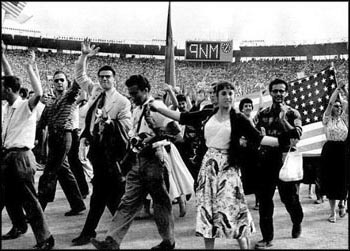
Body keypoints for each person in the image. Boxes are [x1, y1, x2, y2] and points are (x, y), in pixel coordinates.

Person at [149, 80, 280, 249]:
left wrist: (282, 142)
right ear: (217, 97)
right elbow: (183, 117)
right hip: (208, 168)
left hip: (228, 168)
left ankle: (243, 246)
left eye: (231, 93)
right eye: (224, 93)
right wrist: (159, 108)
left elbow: (259, 138)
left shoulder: (239, 118)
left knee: (232, 209)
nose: (228, 97)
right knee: (207, 210)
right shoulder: (207, 114)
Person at [91, 74, 175, 250]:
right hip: (138, 160)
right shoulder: (137, 109)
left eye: (135, 93)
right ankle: (111, 241)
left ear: (146, 90)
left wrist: (151, 138)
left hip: (154, 159)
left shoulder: (157, 106)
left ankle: (168, 240)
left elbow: (175, 132)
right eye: (130, 93)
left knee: (160, 202)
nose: (132, 97)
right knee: (128, 201)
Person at [72, 38, 131, 246]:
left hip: (112, 153)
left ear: (115, 79)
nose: (105, 80)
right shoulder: (96, 91)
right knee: (106, 195)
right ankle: (110, 232)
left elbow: (127, 128)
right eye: (102, 77)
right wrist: (84, 56)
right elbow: (80, 75)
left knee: (106, 195)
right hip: (97, 150)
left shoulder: (122, 102)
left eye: (108, 77)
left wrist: (109, 122)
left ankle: (104, 234)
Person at [1, 44, 54, 249]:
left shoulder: (25, 106)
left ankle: (45, 238)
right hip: (7, 156)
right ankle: (19, 226)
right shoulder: (8, 105)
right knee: (8, 196)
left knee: (29, 200)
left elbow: (39, 92)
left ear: (7, 90)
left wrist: (31, 67)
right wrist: (3, 56)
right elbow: (9, 77)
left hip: (21, 157)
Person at [254, 78, 304, 249]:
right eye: (275, 91)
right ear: (270, 92)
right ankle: (267, 238)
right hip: (267, 160)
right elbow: (254, 133)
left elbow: (297, 135)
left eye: (282, 91)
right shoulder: (263, 113)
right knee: (265, 200)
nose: (278, 94)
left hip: (286, 160)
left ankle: (297, 221)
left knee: (289, 199)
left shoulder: (293, 113)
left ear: (287, 93)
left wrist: (283, 119)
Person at [37, 70, 86, 216]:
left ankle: (39, 209)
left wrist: (83, 58)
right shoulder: (50, 101)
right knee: (64, 171)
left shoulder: (69, 97)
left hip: (65, 135)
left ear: (67, 82)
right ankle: (77, 204)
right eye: (56, 80)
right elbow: (43, 120)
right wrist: (37, 137)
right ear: (53, 83)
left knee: (49, 173)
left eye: (62, 80)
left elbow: (78, 83)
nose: (59, 82)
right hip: (53, 137)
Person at [320, 81, 348, 223]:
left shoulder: (345, 120)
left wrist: (345, 90)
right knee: (331, 181)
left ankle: (342, 204)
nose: (338, 107)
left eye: (340, 105)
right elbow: (330, 103)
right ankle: (332, 212)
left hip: (343, 150)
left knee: (343, 180)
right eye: (336, 106)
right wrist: (337, 89)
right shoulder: (326, 119)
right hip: (330, 150)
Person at [238, 97, 260, 210]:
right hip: (243, 153)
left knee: (257, 176)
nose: (248, 108)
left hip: (254, 152)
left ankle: (258, 201)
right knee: (243, 177)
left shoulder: (253, 120)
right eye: (246, 106)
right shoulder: (239, 120)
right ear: (241, 108)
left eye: (250, 106)